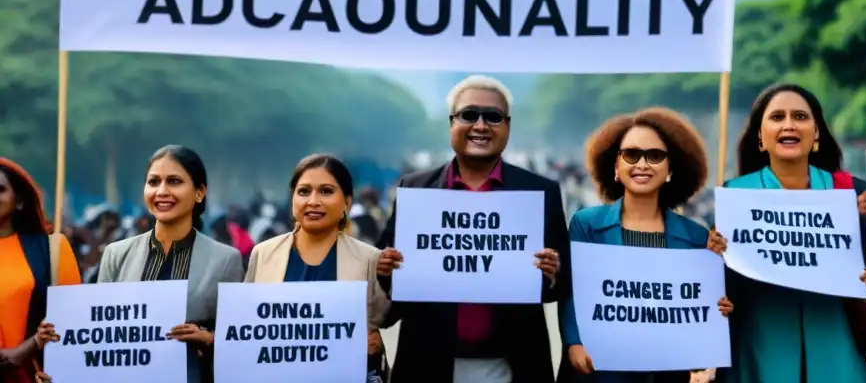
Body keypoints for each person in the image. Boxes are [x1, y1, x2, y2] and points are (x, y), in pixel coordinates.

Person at [375, 74, 570, 383]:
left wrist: (553, 272)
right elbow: (387, 275)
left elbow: (561, 283)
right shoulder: (416, 189)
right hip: (429, 358)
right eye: (469, 115)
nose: (481, 125)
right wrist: (385, 268)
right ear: (452, 123)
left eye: (493, 117)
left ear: (507, 126)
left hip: (511, 361)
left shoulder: (539, 192)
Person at [716, 83, 866, 383]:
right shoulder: (735, 196)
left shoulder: (850, 193)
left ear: (816, 132)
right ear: (760, 135)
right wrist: (715, 254)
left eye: (800, 117)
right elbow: (726, 283)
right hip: (760, 347)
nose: (789, 125)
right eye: (777, 117)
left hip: (837, 346)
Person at [559, 107, 733, 382]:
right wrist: (574, 342)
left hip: (668, 371)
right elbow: (572, 290)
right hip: (601, 368)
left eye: (655, 156)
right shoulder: (586, 225)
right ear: (615, 166)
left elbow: (702, 306)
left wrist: (721, 305)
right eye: (631, 154)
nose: (642, 164)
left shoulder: (697, 237)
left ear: (670, 169)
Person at [96, 146, 243, 383]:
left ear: (199, 192)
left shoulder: (226, 260)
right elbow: (100, 331)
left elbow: (239, 342)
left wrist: (206, 338)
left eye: (174, 181)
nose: (162, 191)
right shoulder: (116, 254)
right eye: (153, 182)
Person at [245, 154, 391, 381]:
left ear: (347, 202)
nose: (313, 201)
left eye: (326, 191)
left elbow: (387, 325)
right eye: (304, 192)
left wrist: (380, 343)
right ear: (293, 200)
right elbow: (247, 328)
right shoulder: (263, 254)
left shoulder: (371, 259)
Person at [0, 159, 80, 383]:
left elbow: (72, 318)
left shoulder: (52, 248)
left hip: (32, 373)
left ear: (19, 201)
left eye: (0, 190)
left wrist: (26, 348)